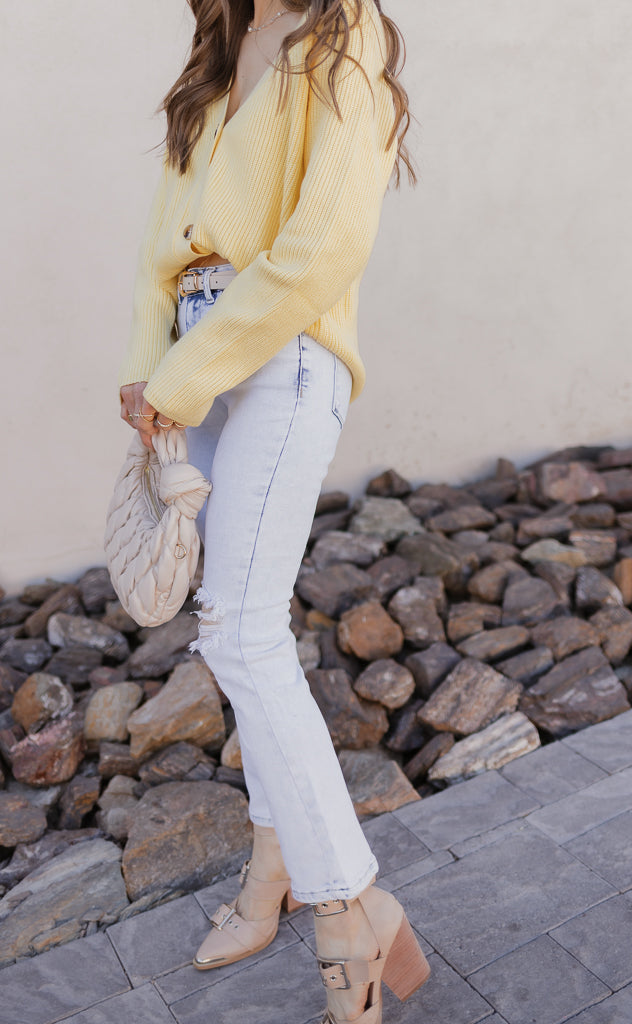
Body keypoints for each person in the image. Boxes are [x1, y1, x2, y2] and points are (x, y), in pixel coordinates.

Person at [118, 1, 428, 1020]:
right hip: (193, 355)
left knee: (239, 631)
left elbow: (324, 246)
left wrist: (187, 374)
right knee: (243, 630)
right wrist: (148, 373)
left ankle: (348, 906)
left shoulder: (341, 33)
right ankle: (271, 868)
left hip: (285, 352)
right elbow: (163, 241)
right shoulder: (219, 44)